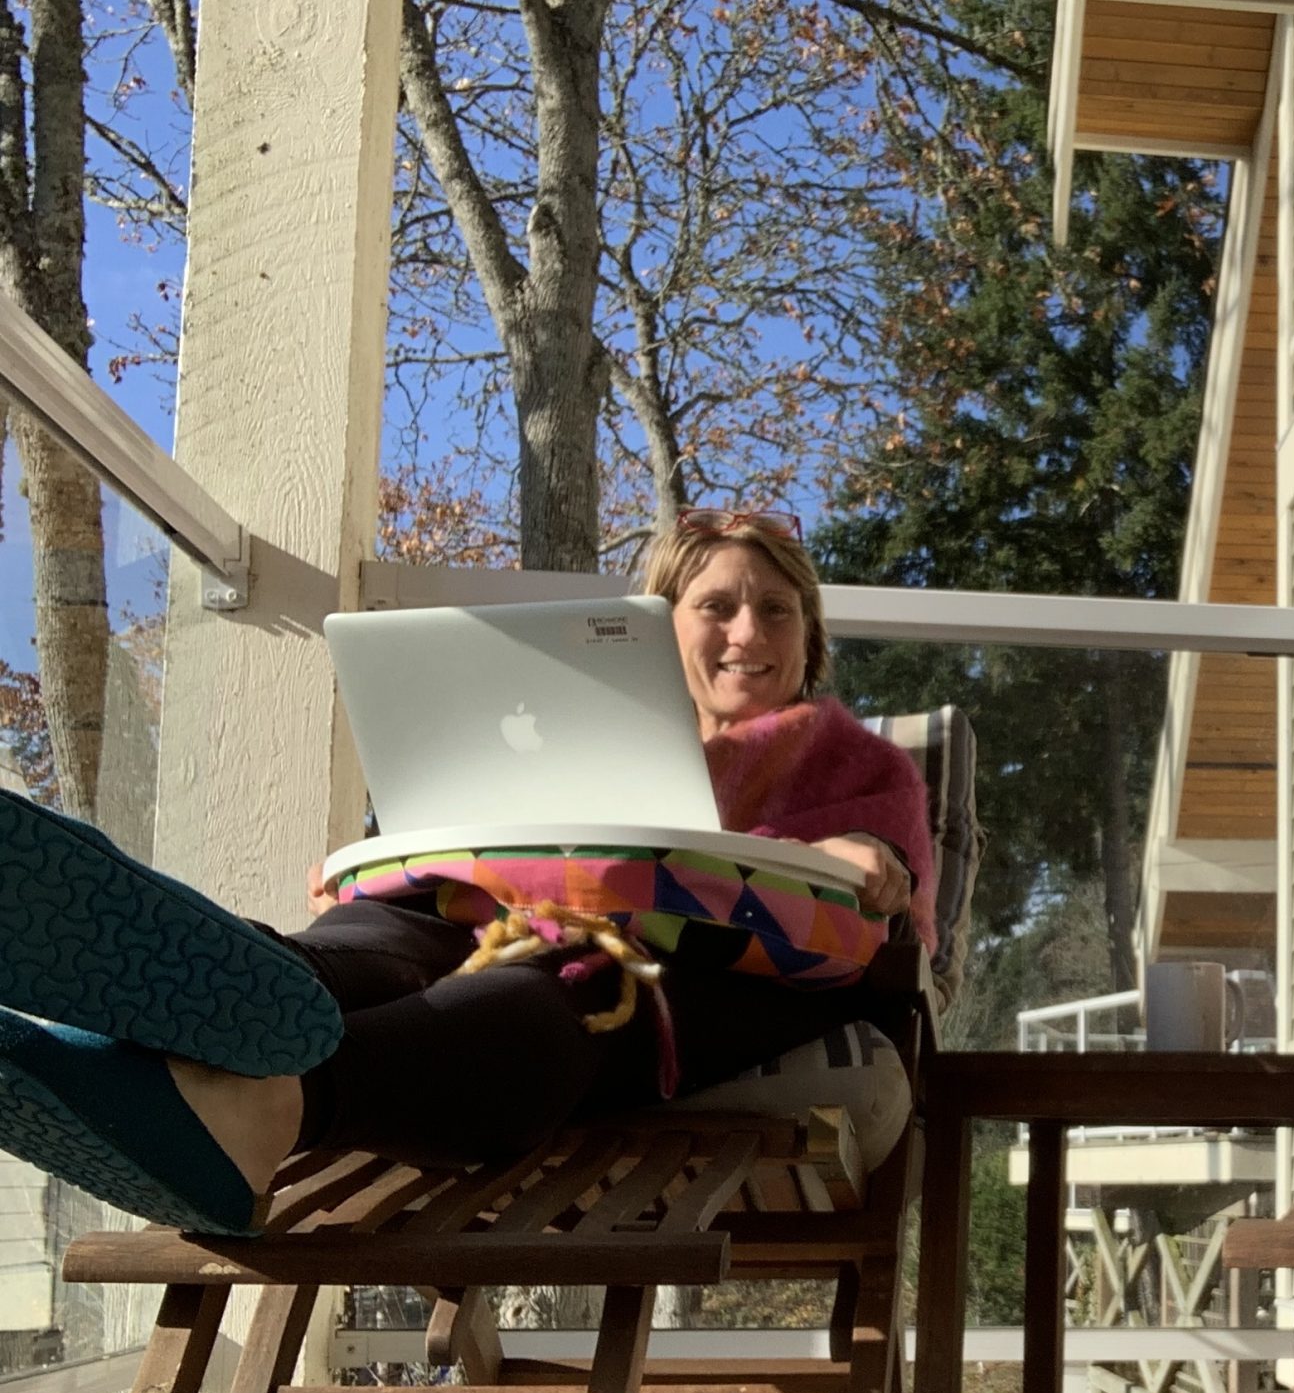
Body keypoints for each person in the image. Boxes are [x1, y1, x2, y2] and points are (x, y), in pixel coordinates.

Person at [0, 507, 933, 1234]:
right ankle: (220, 992)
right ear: (658, 627)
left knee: (568, 985)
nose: (748, 631)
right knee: (381, 930)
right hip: (492, 916)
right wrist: (399, 860)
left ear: (810, 638)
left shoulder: (856, 764)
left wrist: (869, 858)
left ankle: (264, 1103)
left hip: (714, 967)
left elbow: (887, 893)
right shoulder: (580, 735)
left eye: (777, 610)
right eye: (717, 607)